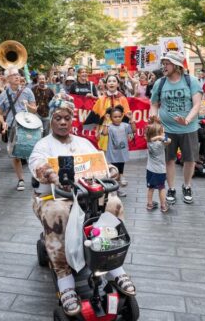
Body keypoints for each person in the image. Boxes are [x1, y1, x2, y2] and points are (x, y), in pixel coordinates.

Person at [29, 95, 136, 316]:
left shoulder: (83, 143)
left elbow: (101, 164)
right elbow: (38, 165)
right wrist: (52, 174)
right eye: (58, 118)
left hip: (87, 197)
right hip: (53, 198)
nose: (62, 122)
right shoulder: (43, 145)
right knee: (58, 212)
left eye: (66, 118)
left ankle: (114, 266)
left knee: (113, 203)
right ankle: (65, 280)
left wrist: (111, 171)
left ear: (72, 120)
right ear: (51, 119)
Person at [149, 51, 202, 205]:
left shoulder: (191, 81)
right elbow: (154, 103)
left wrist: (187, 119)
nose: (164, 67)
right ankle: (171, 188)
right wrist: (154, 116)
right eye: (163, 64)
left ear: (177, 66)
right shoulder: (160, 83)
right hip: (166, 130)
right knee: (168, 160)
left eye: (167, 64)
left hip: (189, 128)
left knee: (190, 160)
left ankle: (187, 186)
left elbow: (197, 104)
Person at [0, 67, 37, 191]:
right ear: (8, 79)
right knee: (16, 155)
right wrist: (3, 122)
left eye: (18, 74)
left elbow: (34, 110)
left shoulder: (27, 91)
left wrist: (28, 106)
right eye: (14, 75)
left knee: (31, 153)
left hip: (27, 125)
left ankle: (36, 176)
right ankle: (21, 179)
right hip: (12, 127)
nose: (17, 76)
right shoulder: (4, 94)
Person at [86, 75, 131, 154]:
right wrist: (96, 131)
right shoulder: (101, 99)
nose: (111, 83)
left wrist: (128, 132)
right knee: (106, 155)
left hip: (119, 131)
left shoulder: (122, 98)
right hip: (105, 130)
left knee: (118, 156)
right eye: (109, 81)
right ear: (106, 84)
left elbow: (127, 115)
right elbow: (96, 115)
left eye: (114, 81)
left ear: (118, 84)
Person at [99, 105, 136, 197]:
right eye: (115, 117)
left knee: (120, 170)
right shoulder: (110, 126)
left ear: (122, 116)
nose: (117, 119)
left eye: (119, 116)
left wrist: (131, 119)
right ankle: (113, 189)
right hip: (112, 154)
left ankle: (117, 189)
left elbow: (134, 130)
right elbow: (104, 133)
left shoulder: (125, 125)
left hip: (122, 153)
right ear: (111, 118)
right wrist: (106, 121)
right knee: (114, 173)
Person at [145, 122, 170, 212]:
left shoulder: (149, 142)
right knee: (161, 188)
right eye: (162, 132)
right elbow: (168, 140)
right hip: (160, 171)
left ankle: (149, 204)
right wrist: (160, 137)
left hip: (150, 170)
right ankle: (163, 206)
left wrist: (156, 137)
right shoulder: (160, 144)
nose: (164, 134)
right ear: (157, 135)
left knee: (151, 188)